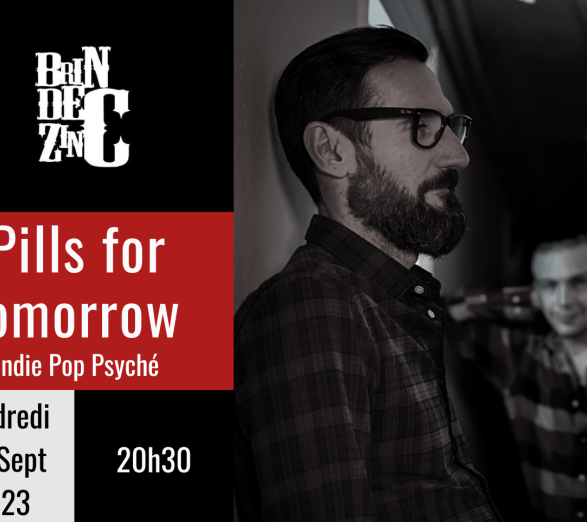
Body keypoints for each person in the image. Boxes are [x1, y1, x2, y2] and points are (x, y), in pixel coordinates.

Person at [233, 27, 501, 522]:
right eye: (421, 124)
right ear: (332, 151)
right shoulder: (313, 305)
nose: (458, 155)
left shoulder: (388, 303)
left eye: (449, 125)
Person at [447, 235, 587, 522]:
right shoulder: (520, 354)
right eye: (551, 285)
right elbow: (447, 311)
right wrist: (533, 298)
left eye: (578, 283)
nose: (564, 300)